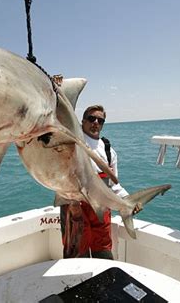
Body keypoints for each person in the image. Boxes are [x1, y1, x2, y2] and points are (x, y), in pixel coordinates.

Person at [60, 105, 130, 260]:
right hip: (75, 205)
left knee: (103, 252)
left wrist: (127, 201)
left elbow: (113, 185)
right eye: (92, 118)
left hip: (101, 208)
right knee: (77, 252)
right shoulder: (73, 140)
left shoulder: (108, 150)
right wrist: (59, 89)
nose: (96, 122)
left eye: (101, 120)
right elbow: (62, 118)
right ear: (83, 121)